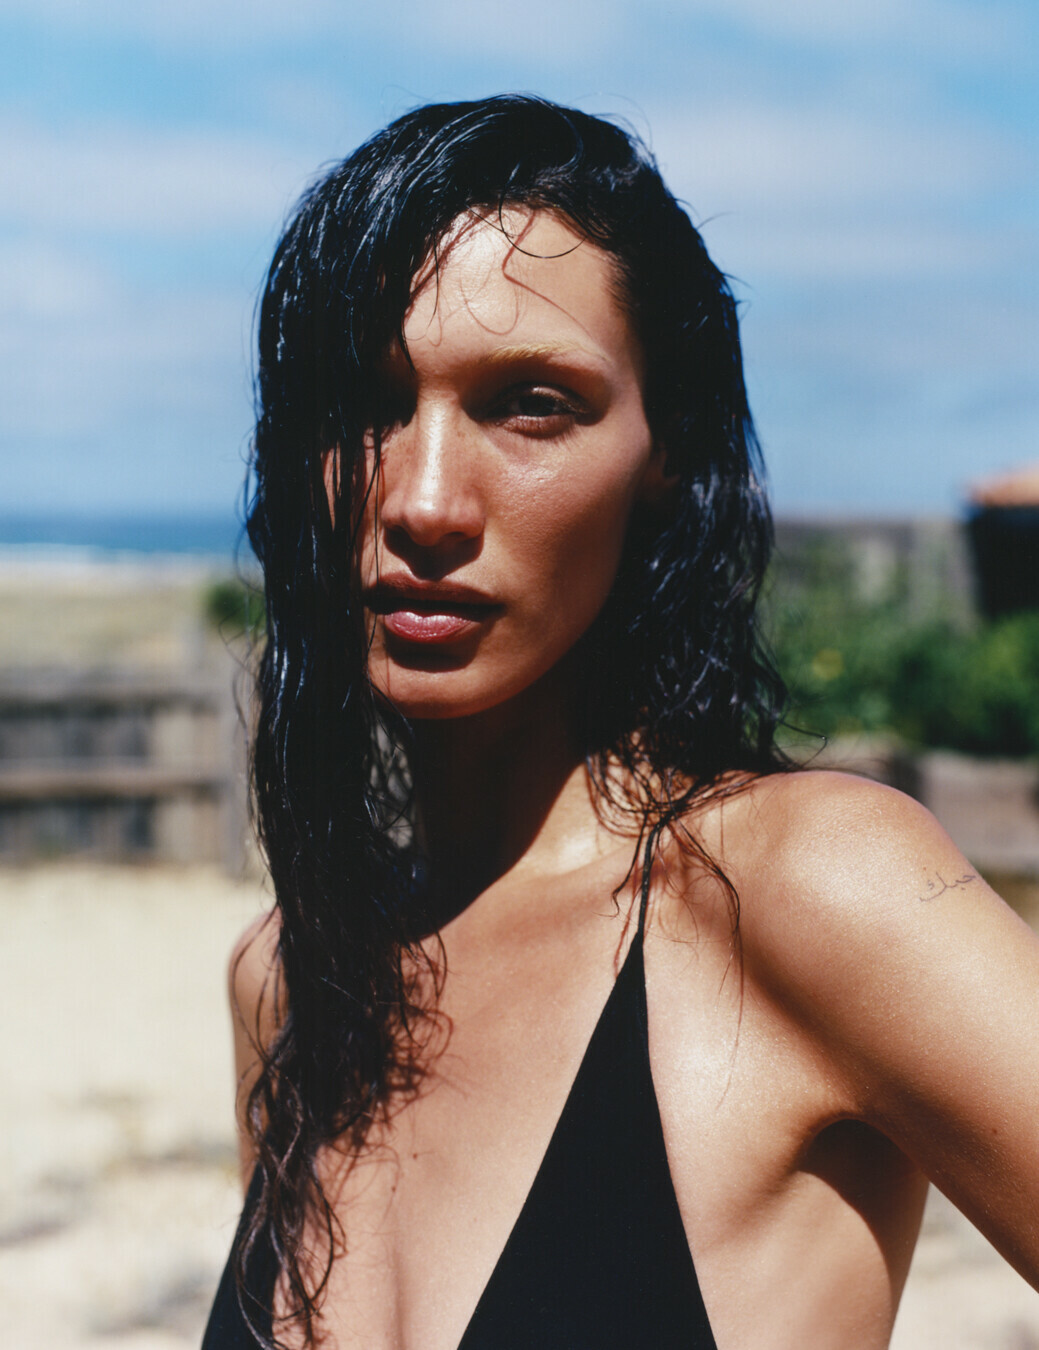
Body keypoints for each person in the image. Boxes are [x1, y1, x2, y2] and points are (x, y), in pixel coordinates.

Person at [202, 95, 1039, 1350]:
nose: (423, 500)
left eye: (531, 403)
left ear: (667, 450)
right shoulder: (290, 982)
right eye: (361, 402)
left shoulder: (801, 896)